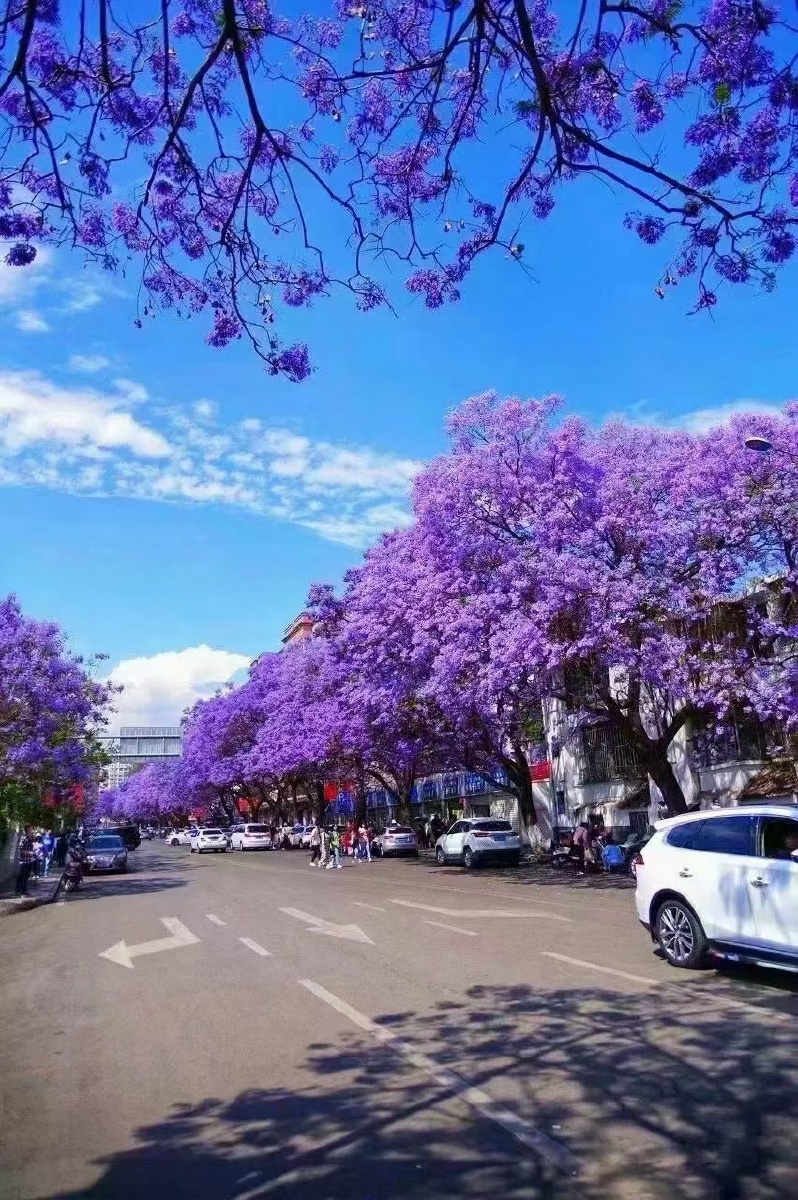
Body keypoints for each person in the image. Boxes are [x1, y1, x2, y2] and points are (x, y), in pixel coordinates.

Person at [15, 826, 36, 896]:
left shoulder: (31, 838)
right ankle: (18, 891)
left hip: (29, 860)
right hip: (23, 861)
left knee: (26, 877)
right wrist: (29, 853)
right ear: (28, 830)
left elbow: (31, 848)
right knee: (21, 877)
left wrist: (33, 853)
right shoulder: (23, 838)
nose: (33, 831)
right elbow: (20, 850)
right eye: (32, 829)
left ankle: (24, 891)